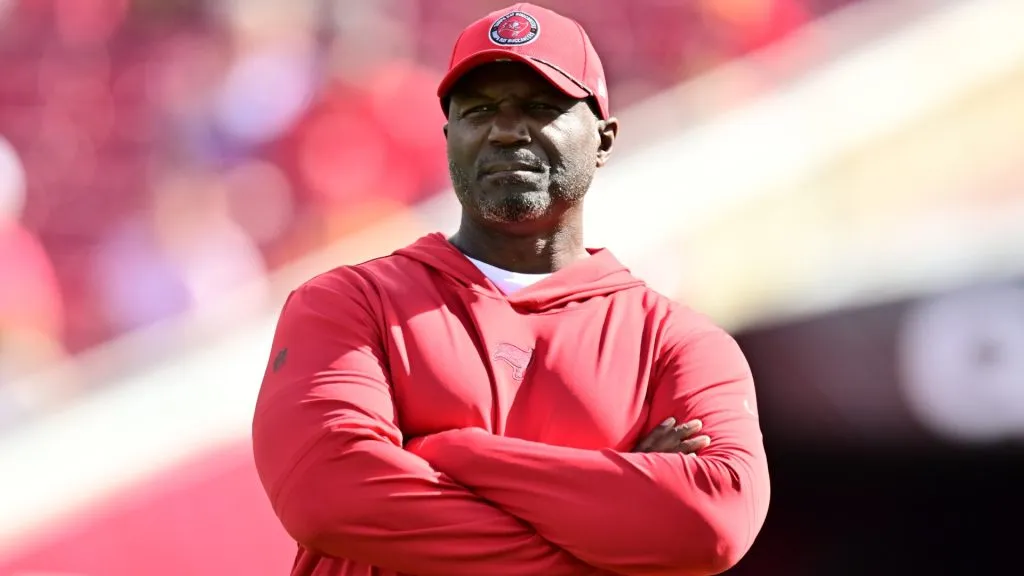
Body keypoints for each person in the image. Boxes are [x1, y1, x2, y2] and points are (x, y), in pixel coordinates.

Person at [252, 4, 770, 576]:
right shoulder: (349, 304)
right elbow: (327, 494)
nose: (505, 129)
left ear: (604, 138)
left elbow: (713, 519)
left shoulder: (678, 343)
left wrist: (450, 451)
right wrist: (610, 518)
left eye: (541, 106)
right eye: (479, 110)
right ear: (450, 138)